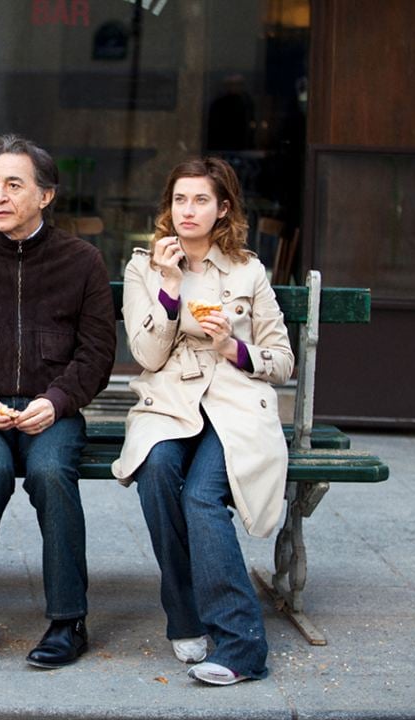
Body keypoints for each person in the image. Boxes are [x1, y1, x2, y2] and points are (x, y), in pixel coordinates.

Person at [0, 134, 117, 669]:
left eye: (14, 185)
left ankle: (67, 620)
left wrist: (57, 401)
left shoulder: (81, 261)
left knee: (53, 473)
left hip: (52, 409)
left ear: (46, 196)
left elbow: (97, 353)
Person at [112, 157, 293, 685]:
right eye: (179, 200)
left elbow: (281, 360)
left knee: (200, 497)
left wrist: (234, 347)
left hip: (234, 403)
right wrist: (169, 288)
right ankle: (185, 614)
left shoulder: (247, 270)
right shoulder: (143, 267)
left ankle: (242, 645)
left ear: (223, 210)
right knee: (157, 473)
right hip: (169, 401)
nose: (188, 210)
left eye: (201, 200)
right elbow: (146, 355)